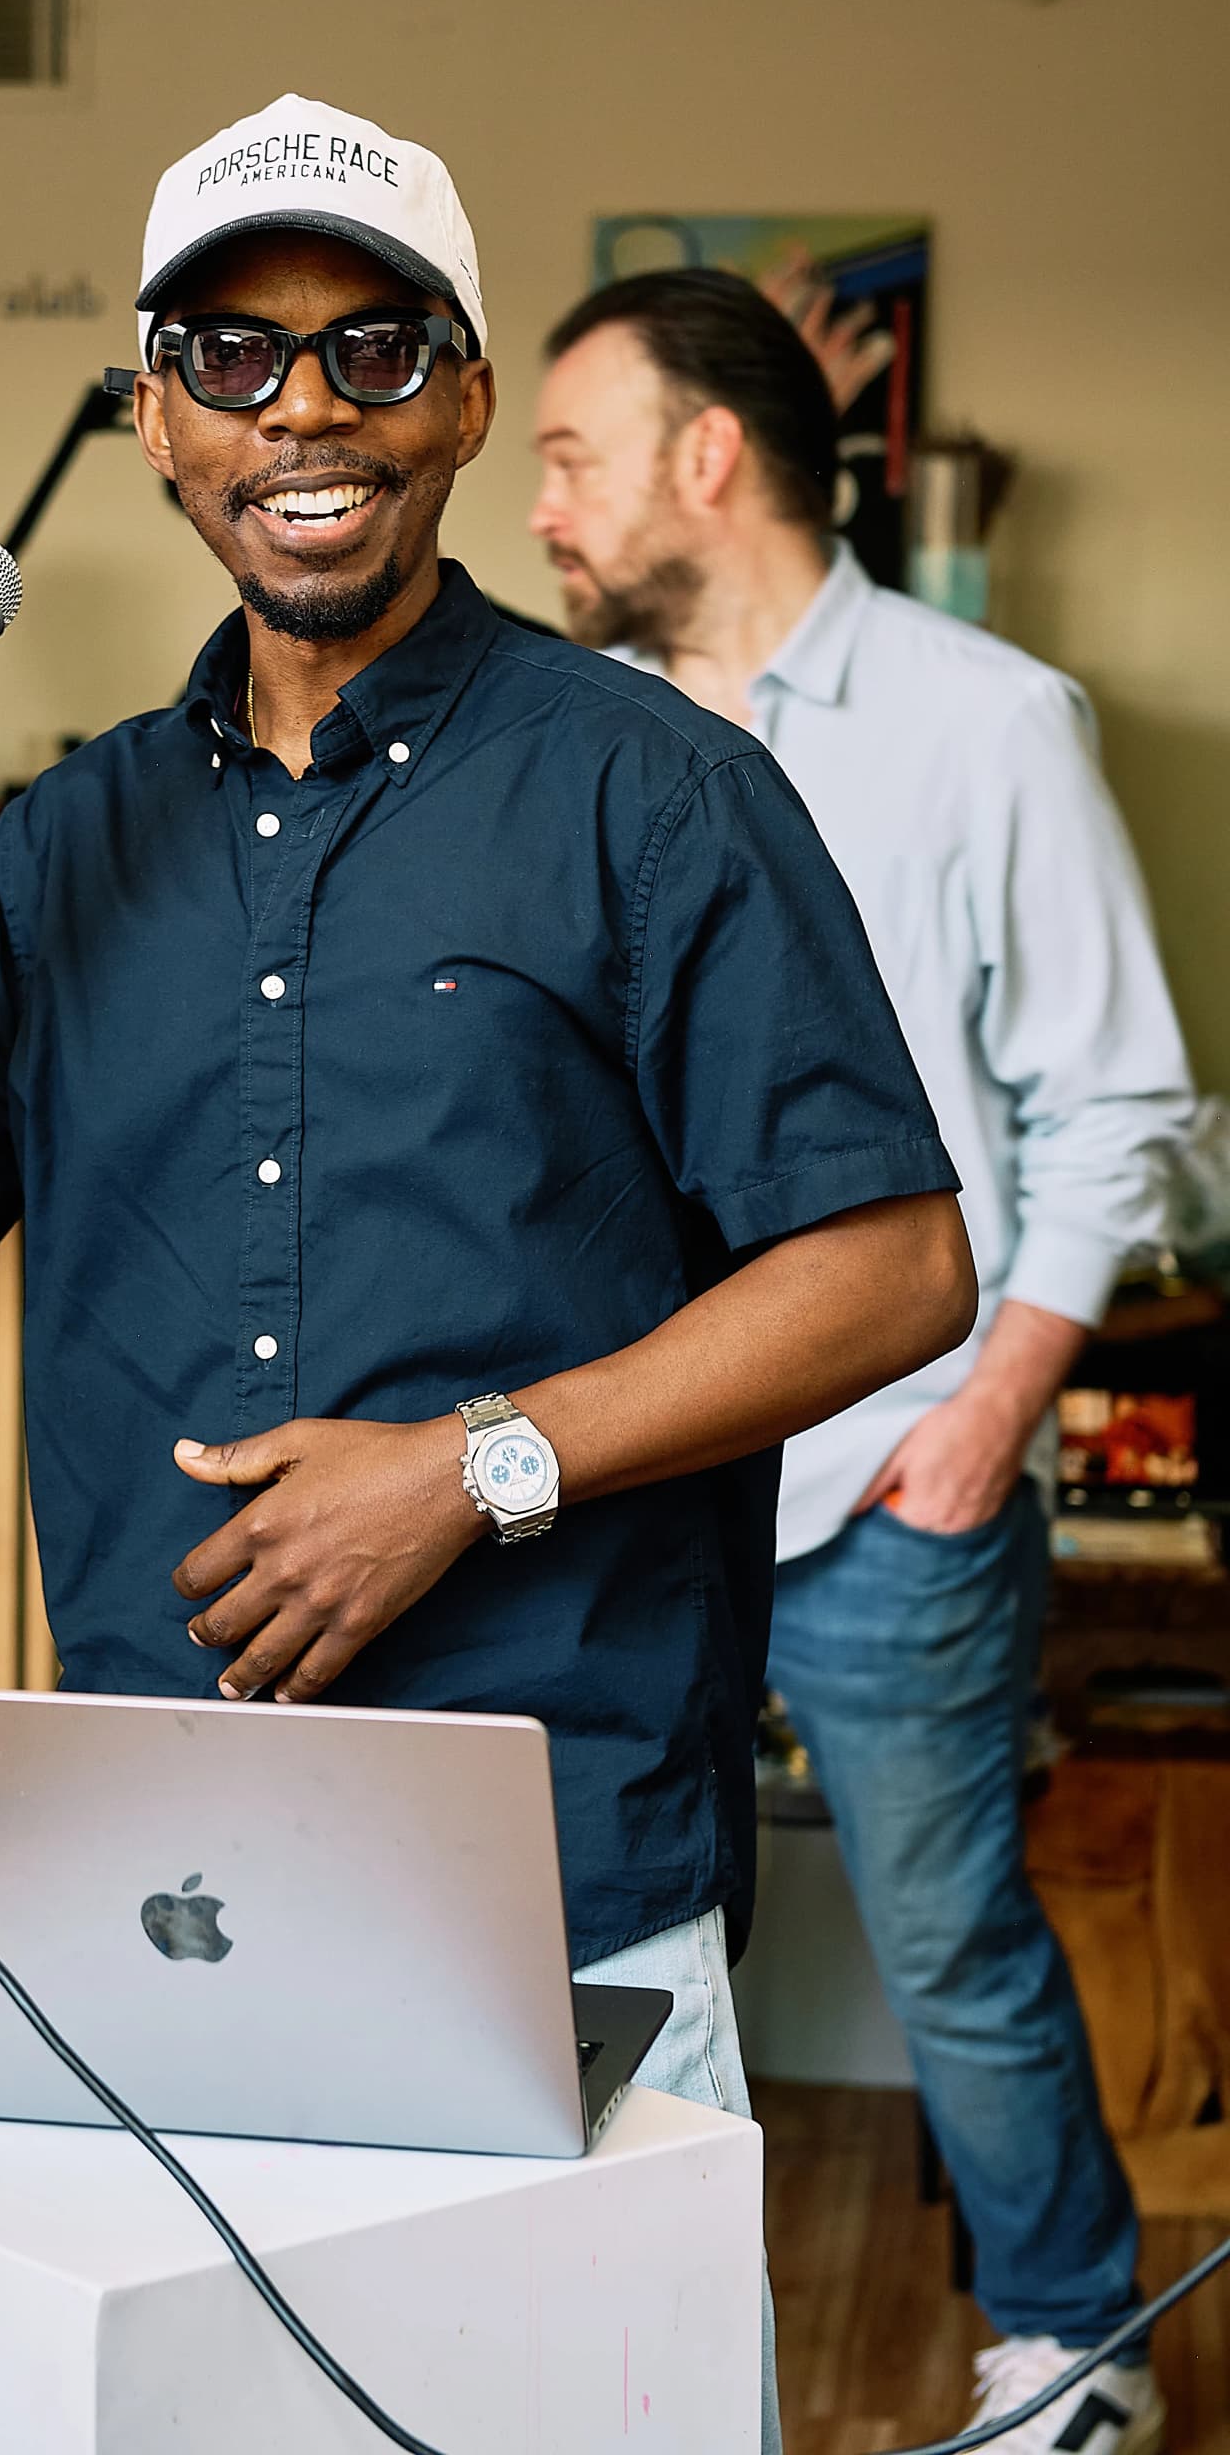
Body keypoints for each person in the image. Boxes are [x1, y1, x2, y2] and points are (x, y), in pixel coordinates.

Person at [0, 95, 976, 2455]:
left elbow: (893, 1264)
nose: (303, 407)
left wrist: (472, 1469)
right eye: (232, 353)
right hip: (145, 1871)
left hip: (558, 1868)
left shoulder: (649, 786)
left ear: (466, 398)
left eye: (371, 348)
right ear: (150, 420)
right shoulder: (75, 827)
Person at [532, 264, 1192, 2455]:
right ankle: (596, 2365)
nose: (536, 508)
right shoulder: (577, 744)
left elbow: (1121, 1109)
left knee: (949, 1952)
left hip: (893, 1483)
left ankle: (1074, 2347)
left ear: (706, 458)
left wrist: (991, 1407)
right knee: (608, 1956)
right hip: (625, 1477)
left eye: (567, 454)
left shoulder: (988, 722)